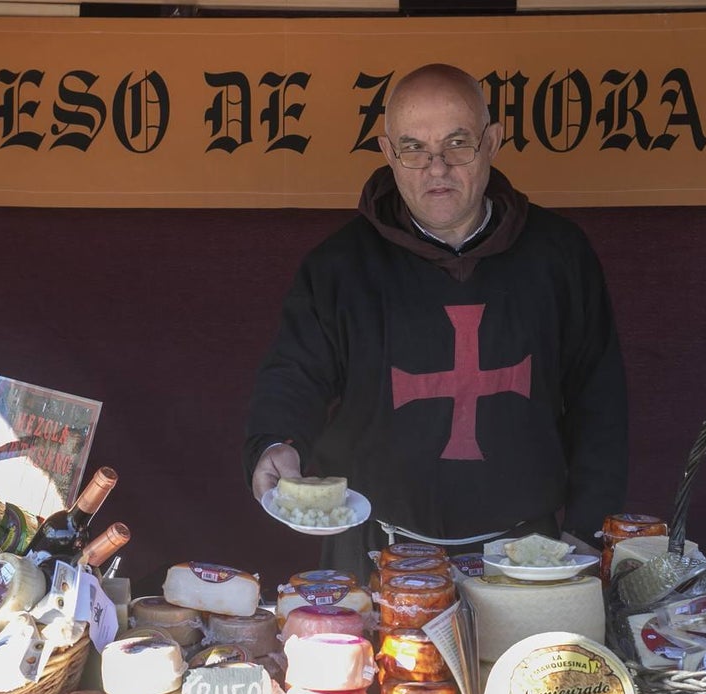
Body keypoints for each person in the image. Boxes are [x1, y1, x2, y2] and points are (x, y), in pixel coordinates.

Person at [243, 63, 627, 578]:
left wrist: (583, 532)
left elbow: (599, 400)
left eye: (458, 144)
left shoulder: (557, 257)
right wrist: (277, 444)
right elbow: (295, 374)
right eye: (414, 148)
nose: (436, 167)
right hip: (377, 551)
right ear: (388, 153)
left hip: (528, 556)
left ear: (491, 142)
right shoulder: (339, 267)